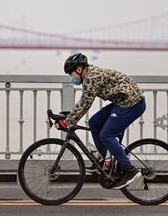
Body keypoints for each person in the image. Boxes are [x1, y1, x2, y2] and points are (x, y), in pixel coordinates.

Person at [59, 52, 146, 189]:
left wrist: (68, 121)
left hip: (132, 105)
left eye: (71, 74)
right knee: (94, 122)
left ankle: (130, 170)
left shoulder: (92, 78)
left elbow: (85, 103)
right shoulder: (89, 75)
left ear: (79, 69)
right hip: (122, 102)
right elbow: (84, 103)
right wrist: (69, 117)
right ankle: (106, 160)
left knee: (106, 135)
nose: (71, 78)